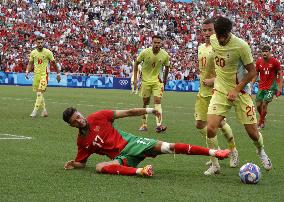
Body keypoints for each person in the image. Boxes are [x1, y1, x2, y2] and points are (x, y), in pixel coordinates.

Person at [63, 107, 230, 177]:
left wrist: (149, 110)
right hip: (124, 158)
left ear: (80, 113)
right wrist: (73, 164)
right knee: (100, 167)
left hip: (132, 143)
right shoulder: (82, 142)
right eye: (74, 121)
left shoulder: (98, 117)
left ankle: (214, 152)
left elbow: (128, 112)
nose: (79, 120)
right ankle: (141, 171)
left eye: (78, 116)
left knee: (167, 147)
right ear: (71, 126)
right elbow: (82, 163)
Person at [205, 17, 272, 175]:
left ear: (229, 32)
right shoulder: (214, 40)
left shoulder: (241, 46)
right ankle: (215, 164)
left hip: (241, 92)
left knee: (253, 133)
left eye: (224, 35)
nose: (221, 39)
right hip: (221, 90)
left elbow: (253, 72)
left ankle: (260, 151)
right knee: (211, 128)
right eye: (218, 35)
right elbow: (216, 60)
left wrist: (236, 89)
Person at [195, 18, 239, 173]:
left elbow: (227, 72)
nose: (207, 33)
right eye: (204, 30)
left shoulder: (219, 47)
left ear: (216, 31)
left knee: (218, 125)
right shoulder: (201, 47)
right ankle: (217, 150)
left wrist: (213, 80)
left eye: (210, 30)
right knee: (200, 125)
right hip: (202, 92)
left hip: (217, 91)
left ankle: (230, 153)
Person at [133, 34, 170, 133]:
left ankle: (159, 125)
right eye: (155, 42)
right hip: (146, 81)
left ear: (161, 43)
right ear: (152, 42)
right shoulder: (145, 52)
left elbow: (167, 67)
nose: (157, 44)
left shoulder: (165, 55)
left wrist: (165, 80)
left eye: (158, 43)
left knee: (157, 101)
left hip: (158, 82)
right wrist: (136, 79)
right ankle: (144, 124)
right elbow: (136, 63)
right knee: (146, 102)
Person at [25, 36, 61, 117]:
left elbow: (54, 63)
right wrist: (27, 71)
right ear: (36, 43)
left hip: (44, 75)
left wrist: (58, 74)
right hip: (36, 75)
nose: (40, 44)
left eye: (41, 42)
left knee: (39, 93)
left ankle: (34, 111)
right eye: (38, 42)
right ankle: (44, 111)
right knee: (39, 93)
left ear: (43, 42)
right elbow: (30, 63)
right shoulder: (33, 53)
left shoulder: (48, 52)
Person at [252, 45, 282, 129]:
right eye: (263, 51)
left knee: (265, 104)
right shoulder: (258, 62)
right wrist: (251, 84)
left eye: (266, 51)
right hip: (261, 87)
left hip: (271, 87)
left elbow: (280, 74)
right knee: (258, 105)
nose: (264, 53)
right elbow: (256, 73)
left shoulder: (275, 62)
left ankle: (260, 123)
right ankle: (263, 117)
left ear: (270, 52)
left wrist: (279, 87)